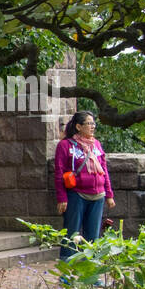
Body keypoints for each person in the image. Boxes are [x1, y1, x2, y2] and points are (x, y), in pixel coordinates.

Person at [54, 111, 115, 260]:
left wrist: (109, 194)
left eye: (93, 123)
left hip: (98, 195)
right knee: (71, 234)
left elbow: (104, 170)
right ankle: (67, 271)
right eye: (89, 123)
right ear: (78, 126)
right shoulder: (65, 145)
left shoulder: (97, 145)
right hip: (76, 194)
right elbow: (59, 172)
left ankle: (92, 271)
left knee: (93, 235)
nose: (92, 126)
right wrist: (62, 197)